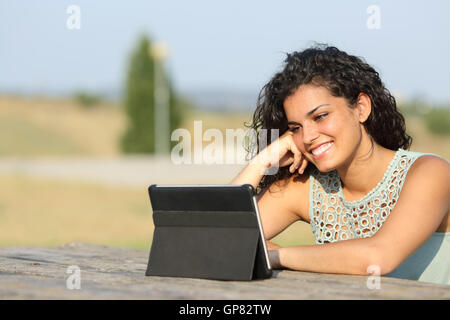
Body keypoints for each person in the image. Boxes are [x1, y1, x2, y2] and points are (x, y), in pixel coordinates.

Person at [231, 45, 450, 285]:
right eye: (296, 128)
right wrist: (264, 159)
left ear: (361, 109)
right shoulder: (307, 190)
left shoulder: (431, 172)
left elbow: (378, 257)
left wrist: (274, 255)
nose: (307, 137)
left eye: (320, 116)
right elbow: (214, 233)